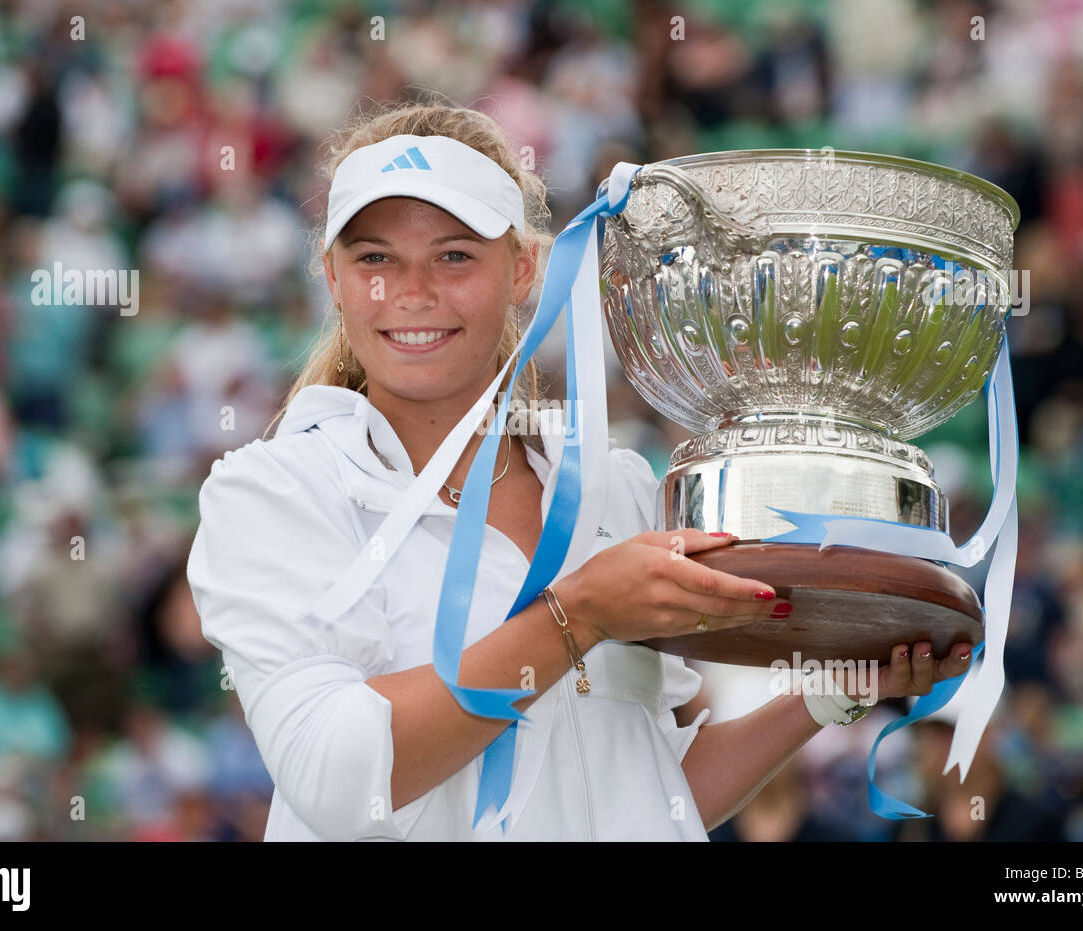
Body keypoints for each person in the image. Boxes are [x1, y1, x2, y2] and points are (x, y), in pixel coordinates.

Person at [184, 102, 974, 841]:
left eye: (455, 255)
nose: (413, 292)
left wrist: (829, 690)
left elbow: (653, 789)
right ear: (334, 278)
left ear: (524, 269)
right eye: (375, 259)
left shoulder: (613, 483)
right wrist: (579, 614)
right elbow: (335, 775)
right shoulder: (271, 491)